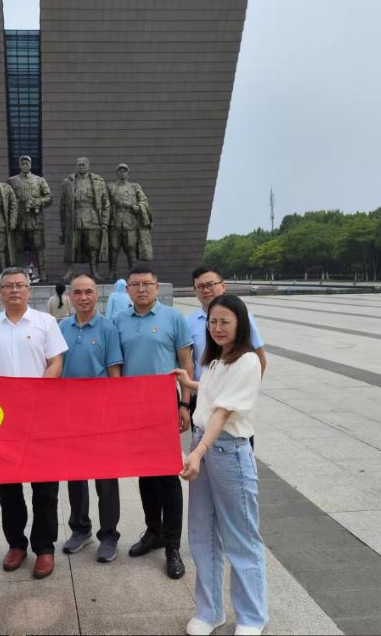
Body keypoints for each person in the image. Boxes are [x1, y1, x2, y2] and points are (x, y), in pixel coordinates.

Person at [175, 294, 268, 636]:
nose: (217, 328)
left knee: (240, 536)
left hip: (227, 452)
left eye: (225, 322)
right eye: (213, 321)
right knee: (202, 533)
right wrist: (189, 383)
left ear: (240, 324)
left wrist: (198, 451)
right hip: (204, 447)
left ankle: (252, 617)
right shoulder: (216, 361)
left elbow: (222, 412)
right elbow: (214, 394)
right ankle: (209, 611)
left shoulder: (248, 360)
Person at [0, 267, 68, 579]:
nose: (14, 290)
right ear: (0, 291)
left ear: (29, 290)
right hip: (3, 419)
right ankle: (16, 544)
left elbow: (56, 362)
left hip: (41, 415)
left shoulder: (45, 322)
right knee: (8, 489)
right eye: (8, 286)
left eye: (20, 285)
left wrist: (35, 394)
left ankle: (44, 547)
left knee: (45, 488)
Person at [113, 264, 193, 580]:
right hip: (132, 405)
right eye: (136, 284)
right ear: (127, 290)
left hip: (164, 403)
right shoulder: (118, 320)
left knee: (168, 475)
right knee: (145, 473)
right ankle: (153, 531)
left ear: (157, 287)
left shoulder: (173, 318)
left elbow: (186, 364)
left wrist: (185, 404)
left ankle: (173, 545)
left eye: (147, 284)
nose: (142, 289)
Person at [58, 274, 123, 562]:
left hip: (101, 412)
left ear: (97, 295)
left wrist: (114, 411)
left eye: (88, 292)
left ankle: (109, 535)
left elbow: (115, 372)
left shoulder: (108, 328)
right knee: (75, 474)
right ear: (69, 297)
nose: (83, 297)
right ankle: (80, 529)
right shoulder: (61, 327)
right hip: (70, 412)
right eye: (77, 292)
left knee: (106, 476)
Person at [187, 265, 266, 382]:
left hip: (234, 389)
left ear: (223, 286)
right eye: (200, 286)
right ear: (195, 291)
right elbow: (186, 361)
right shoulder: (189, 322)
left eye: (210, 285)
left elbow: (260, 359)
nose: (206, 290)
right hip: (201, 390)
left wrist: (250, 388)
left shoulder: (243, 316)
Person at [59, 156, 110, 280]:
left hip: (92, 218)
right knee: (72, 245)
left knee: (92, 246)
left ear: (88, 165)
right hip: (75, 217)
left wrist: (105, 221)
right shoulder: (68, 181)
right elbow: (63, 204)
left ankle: (94, 271)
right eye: (79, 165)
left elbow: (106, 203)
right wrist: (63, 223)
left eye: (83, 165)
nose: (81, 167)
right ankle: (70, 271)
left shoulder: (98, 181)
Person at [8, 154, 53, 281]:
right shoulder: (11, 181)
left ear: (31, 165)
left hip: (35, 218)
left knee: (39, 246)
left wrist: (38, 201)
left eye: (27, 163)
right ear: (19, 165)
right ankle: (18, 274)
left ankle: (42, 273)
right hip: (19, 219)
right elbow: (7, 199)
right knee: (18, 247)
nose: (25, 165)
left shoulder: (39, 180)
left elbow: (49, 198)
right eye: (22, 163)